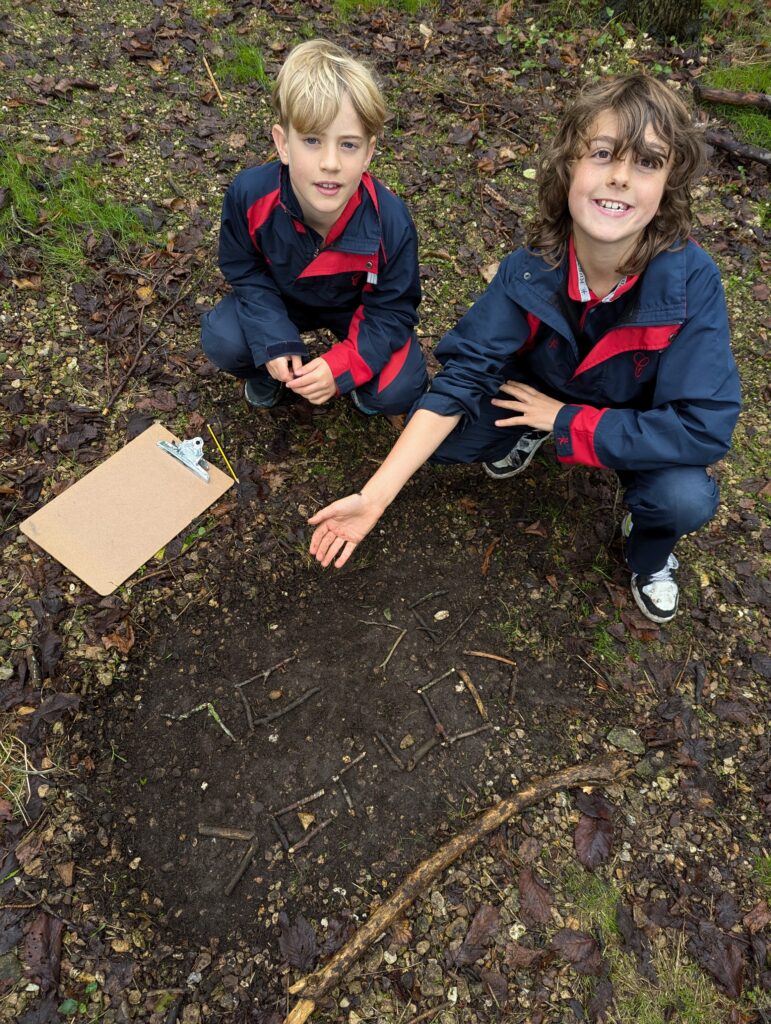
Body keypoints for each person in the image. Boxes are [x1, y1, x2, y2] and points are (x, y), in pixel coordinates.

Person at [308, 74, 740, 625]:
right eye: (603, 153)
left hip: (634, 421)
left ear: (668, 186)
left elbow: (704, 427)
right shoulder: (533, 266)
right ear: (567, 170)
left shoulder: (691, 282)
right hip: (541, 394)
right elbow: (463, 378)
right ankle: (531, 432)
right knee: (442, 439)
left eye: (648, 162)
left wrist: (569, 421)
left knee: (682, 498)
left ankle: (649, 551)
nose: (621, 178)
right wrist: (375, 496)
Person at [201, 39, 427, 419]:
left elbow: (392, 310)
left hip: (353, 310)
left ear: (369, 152)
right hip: (282, 298)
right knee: (225, 339)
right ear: (282, 144)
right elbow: (244, 268)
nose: (330, 163)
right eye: (311, 140)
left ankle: (358, 388)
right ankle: (269, 371)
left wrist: (342, 366)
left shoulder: (391, 222)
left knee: (398, 388)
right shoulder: (250, 194)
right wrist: (272, 336)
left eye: (349, 145)